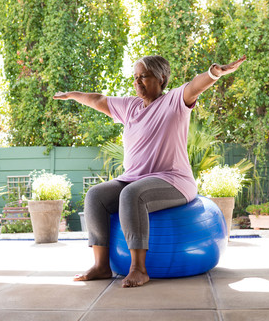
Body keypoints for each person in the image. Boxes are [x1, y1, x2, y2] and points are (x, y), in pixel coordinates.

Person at [53, 55, 246, 287]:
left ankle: (138, 269)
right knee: (96, 196)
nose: (138, 82)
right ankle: (101, 266)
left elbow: (195, 86)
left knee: (132, 195)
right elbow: (98, 99)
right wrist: (72, 95)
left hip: (172, 181)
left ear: (161, 78)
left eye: (143, 76)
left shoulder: (174, 101)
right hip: (132, 178)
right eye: (135, 78)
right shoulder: (130, 107)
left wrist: (214, 73)